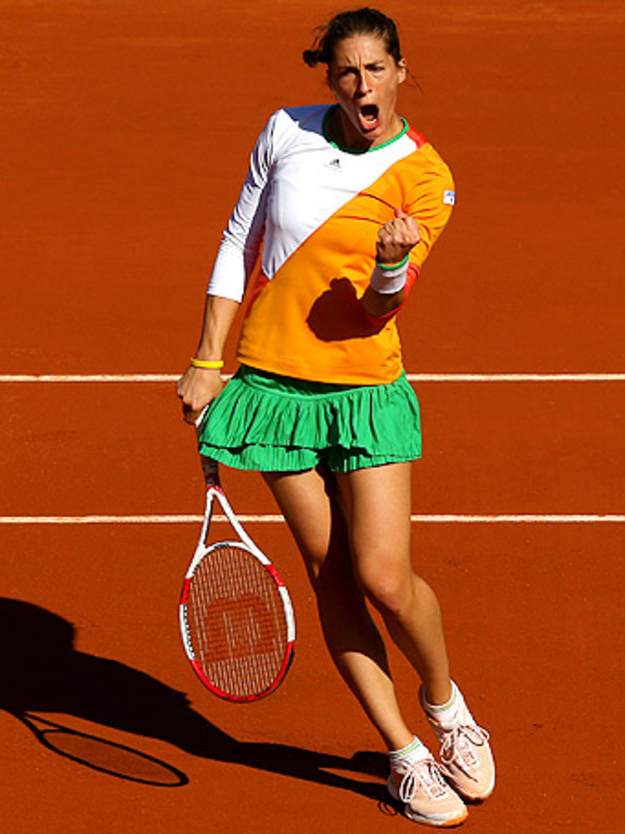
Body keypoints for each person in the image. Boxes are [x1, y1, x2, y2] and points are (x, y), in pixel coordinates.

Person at [175, 8, 494, 827]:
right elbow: (236, 243)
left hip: (365, 391)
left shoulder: (426, 178)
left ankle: (444, 705)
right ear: (329, 77)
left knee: (385, 575)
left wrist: (389, 263)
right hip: (276, 389)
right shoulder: (283, 133)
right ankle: (403, 754)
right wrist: (209, 359)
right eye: (347, 72)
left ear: (399, 71)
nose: (363, 88)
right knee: (330, 573)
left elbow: (388, 305)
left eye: (377, 70)